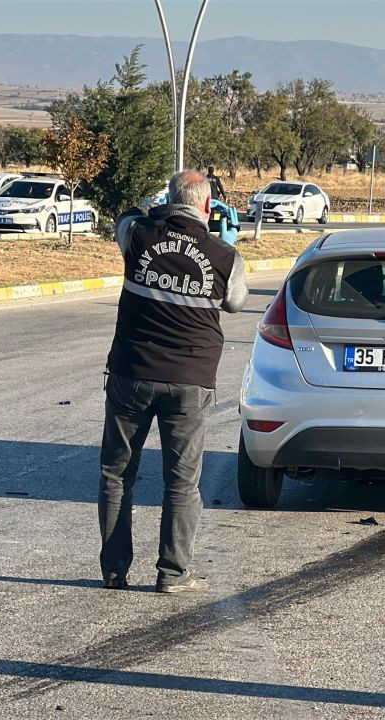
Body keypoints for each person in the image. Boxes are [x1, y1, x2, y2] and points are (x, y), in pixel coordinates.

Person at [99, 169, 248, 594]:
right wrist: (224, 241)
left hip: (132, 374)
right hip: (189, 382)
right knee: (181, 482)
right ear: (208, 206)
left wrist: (157, 209)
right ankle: (172, 574)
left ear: (168, 200)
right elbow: (236, 302)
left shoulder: (139, 236)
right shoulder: (222, 256)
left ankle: (115, 572)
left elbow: (124, 217)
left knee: (116, 476)